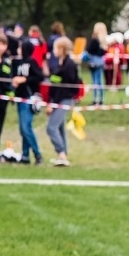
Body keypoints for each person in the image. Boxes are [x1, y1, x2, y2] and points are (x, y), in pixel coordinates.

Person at [45, 37, 81, 167]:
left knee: (51, 127)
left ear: (61, 49)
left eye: (55, 47)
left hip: (65, 99)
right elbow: (55, 84)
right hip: (57, 100)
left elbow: (70, 85)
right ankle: (63, 155)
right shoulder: (60, 63)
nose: (53, 50)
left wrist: (55, 103)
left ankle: (61, 152)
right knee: (60, 127)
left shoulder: (70, 65)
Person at [12, 37, 45, 164]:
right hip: (20, 98)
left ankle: (37, 154)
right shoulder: (19, 63)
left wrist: (25, 79)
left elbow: (39, 77)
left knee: (26, 128)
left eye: (21, 47)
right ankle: (25, 156)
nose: (19, 49)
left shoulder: (32, 62)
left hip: (30, 99)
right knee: (23, 128)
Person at [83, 22, 107, 105]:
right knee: (100, 81)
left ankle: (95, 99)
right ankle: (101, 99)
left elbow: (89, 50)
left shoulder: (94, 40)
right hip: (100, 62)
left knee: (95, 82)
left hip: (94, 62)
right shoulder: (104, 41)